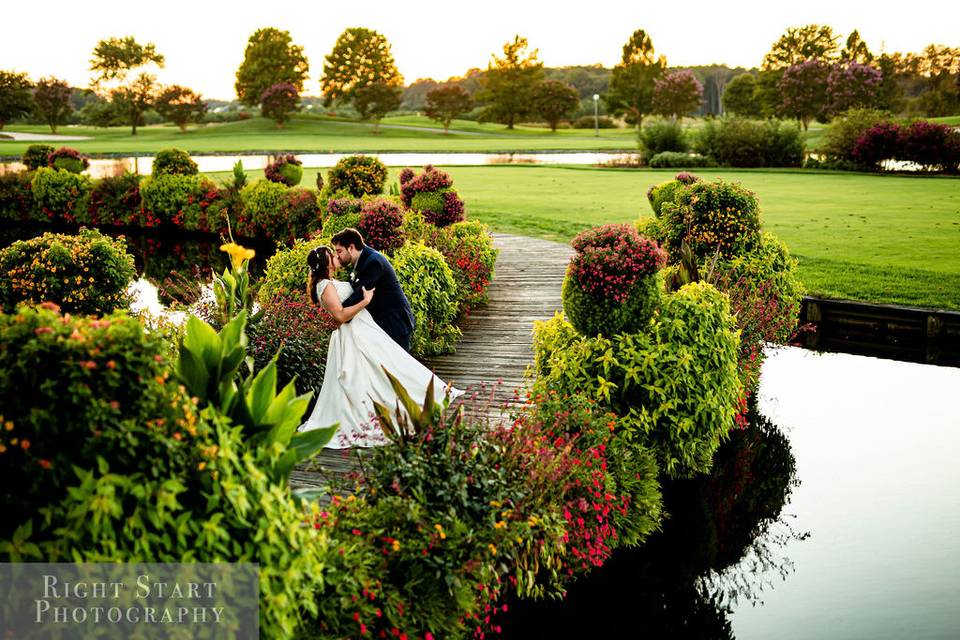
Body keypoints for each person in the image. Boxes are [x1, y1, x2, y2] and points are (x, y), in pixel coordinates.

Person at [298, 245, 462, 448]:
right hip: (353, 335)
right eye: (332, 255)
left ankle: (424, 396)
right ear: (326, 262)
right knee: (369, 376)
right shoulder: (324, 285)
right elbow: (340, 316)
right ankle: (385, 414)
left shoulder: (331, 282)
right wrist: (365, 301)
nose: (335, 256)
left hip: (366, 329)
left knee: (390, 364)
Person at [331, 227, 416, 352]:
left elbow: (360, 295)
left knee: (396, 369)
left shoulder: (373, 262)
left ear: (351, 247)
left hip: (394, 323)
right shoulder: (361, 261)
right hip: (381, 324)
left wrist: (340, 313)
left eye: (339, 251)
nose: (337, 256)